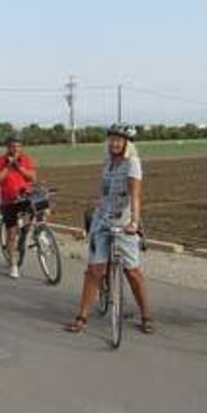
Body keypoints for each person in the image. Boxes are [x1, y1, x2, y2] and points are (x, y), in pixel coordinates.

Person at [65, 124, 154, 334]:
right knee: (94, 270)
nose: (114, 143)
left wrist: (134, 222)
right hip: (102, 220)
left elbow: (135, 196)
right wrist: (94, 220)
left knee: (132, 271)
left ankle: (146, 315)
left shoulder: (132, 163)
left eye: (119, 140)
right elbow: (103, 193)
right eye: (112, 139)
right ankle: (82, 317)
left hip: (124, 223)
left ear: (126, 143)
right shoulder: (107, 163)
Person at [0, 131, 37, 279]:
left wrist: (20, 168)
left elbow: (33, 178)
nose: (16, 149)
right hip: (8, 200)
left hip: (24, 197)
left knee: (38, 211)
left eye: (18, 146)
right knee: (11, 233)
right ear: (7, 147)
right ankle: (14, 265)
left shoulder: (25, 160)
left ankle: (24, 235)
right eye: (12, 146)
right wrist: (8, 167)